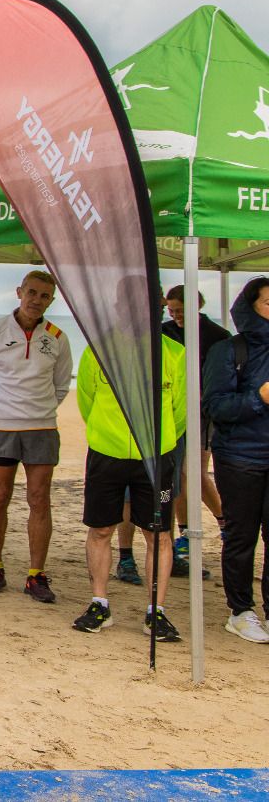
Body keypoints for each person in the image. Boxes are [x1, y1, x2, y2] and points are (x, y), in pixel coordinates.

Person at [71, 336, 185, 643]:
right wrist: (108, 433)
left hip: (155, 455)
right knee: (100, 529)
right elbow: (87, 400)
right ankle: (99, 604)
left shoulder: (174, 353)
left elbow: (180, 410)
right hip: (106, 453)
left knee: (158, 534)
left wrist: (157, 440)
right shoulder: (99, 349)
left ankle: (156, 611)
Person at [0, 271, 72, 602]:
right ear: (19, 292)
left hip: (42, 427)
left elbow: (60, 385)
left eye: (44, 296)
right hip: (1, 426)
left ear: (51, 301)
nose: (36, 300)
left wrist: (37, 410)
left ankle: (35, 574)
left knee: (39, 499)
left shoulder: (57, 336)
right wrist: (0, 410)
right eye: (31, 292)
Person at [202, 276, 269, 644]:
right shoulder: (229, 351)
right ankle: (241, 610)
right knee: (242, 537)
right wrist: (259, 397)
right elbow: (215, 406)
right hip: (240, 458)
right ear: (251, 306)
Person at [161, 284, 228, 577]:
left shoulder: (217, 337)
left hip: (202, 415)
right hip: (172, 415)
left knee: (195, 474)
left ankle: (224, 523)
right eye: (171, 310)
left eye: (180, 311)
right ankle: (185, 536)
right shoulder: (162, 332)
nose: (175, 316)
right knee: (175, 476)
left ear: (196, 306)